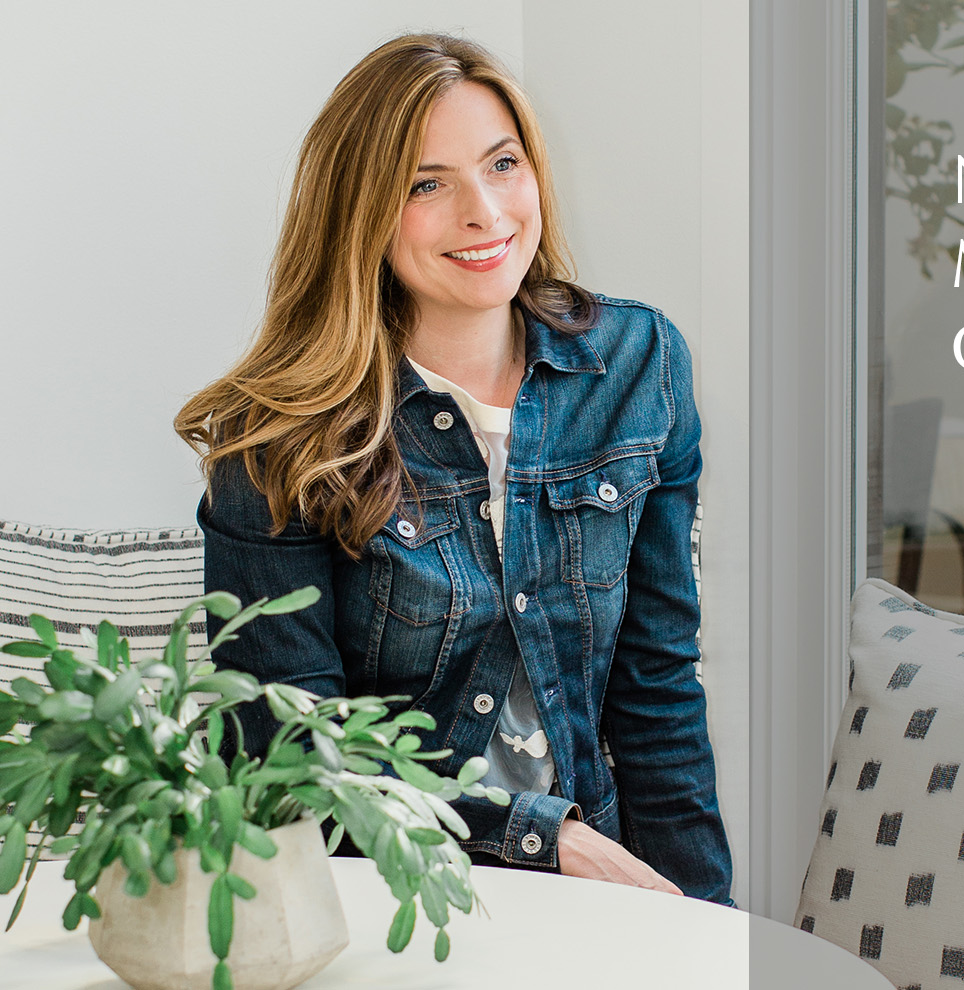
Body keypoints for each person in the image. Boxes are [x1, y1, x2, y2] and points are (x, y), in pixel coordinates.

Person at [174, 33, 732, 905]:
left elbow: (656, 692)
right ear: (360, 211)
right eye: (426, 184)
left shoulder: (638, 365)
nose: (484, 212)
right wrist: (545, 840)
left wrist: (705, 927)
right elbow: (289, 764)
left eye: (503, 164)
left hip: (595, 898)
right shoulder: (277, 437)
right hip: (382, 901)